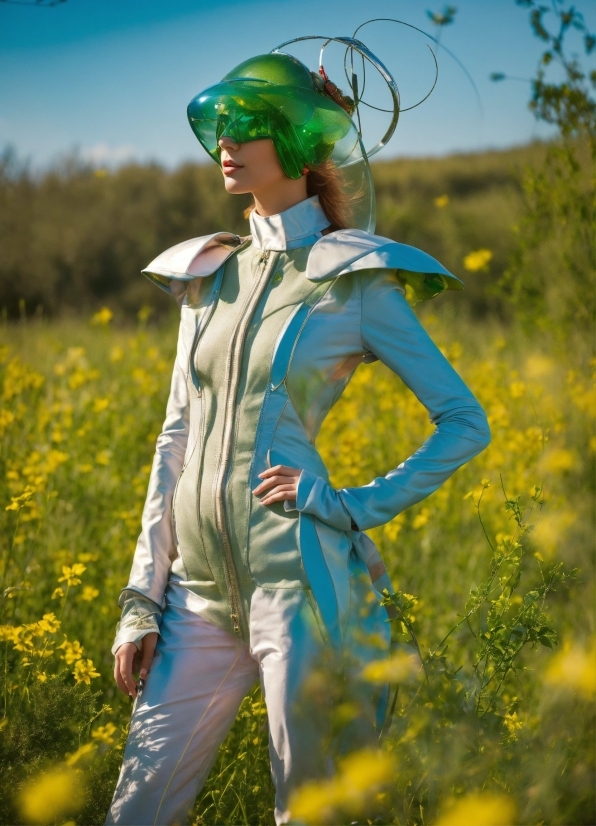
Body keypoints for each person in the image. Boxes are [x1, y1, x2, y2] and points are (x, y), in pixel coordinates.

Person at [106, 46, 491, 826]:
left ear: (295, 142)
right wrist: (143, 597)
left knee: (308, 812)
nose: (226, 140)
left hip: (299, 592)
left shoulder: (355, 280)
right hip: (198, 601)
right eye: (220, 123)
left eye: (246, 124)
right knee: (136, 811)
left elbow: (464, 421)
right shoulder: (207, 274)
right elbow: (174, 435)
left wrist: (351, 504)